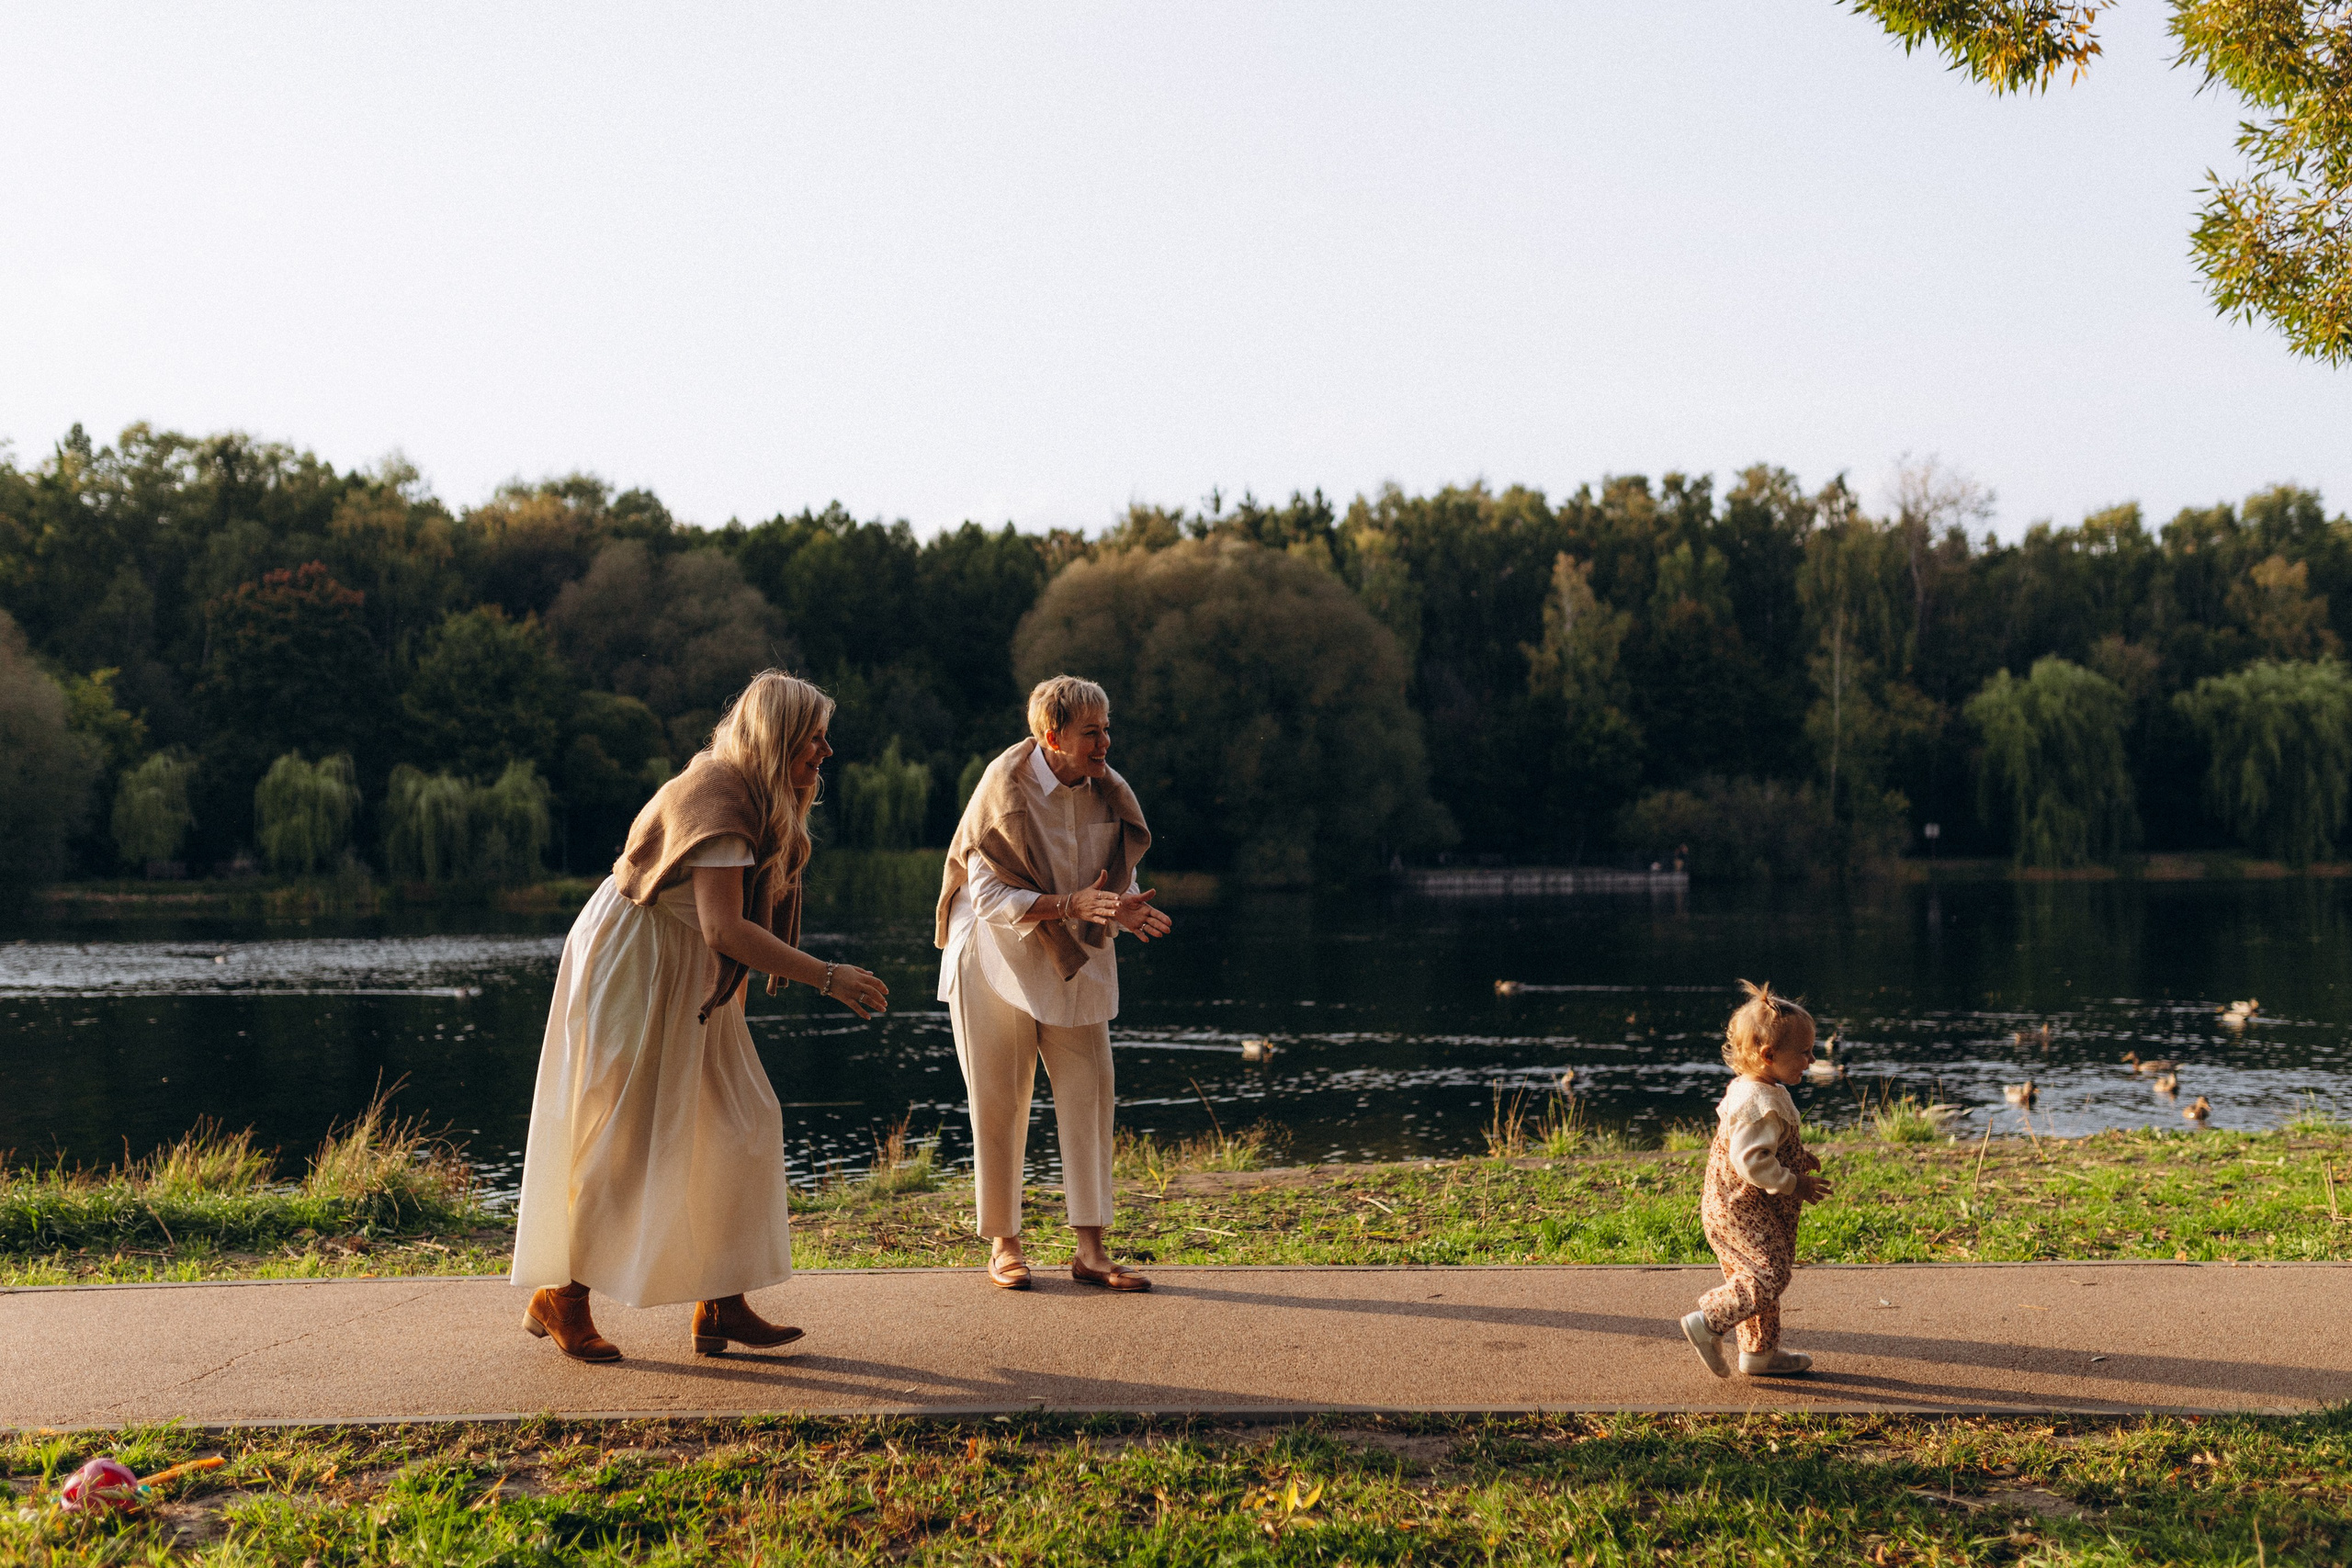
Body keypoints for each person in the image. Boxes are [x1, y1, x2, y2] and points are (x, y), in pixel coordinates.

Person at [510, 670, 890, 1361]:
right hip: (638, 960)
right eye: (814, 738)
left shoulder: (748, 794)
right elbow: (724, 928)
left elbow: (723, 929)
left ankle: (720, 1301)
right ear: (777, 738)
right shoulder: (720, 802)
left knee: (743, 1119)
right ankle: (562, 1295)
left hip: (684, 963)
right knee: (625, 1134)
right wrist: (829, 977)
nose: (826, 752)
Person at [935, 674, 1173, 1292]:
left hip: (1077, 950)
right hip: (992, 953)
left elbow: (1115, 876)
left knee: (1090, 1091)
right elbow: (988, 897)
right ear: (1052, 735)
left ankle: (1091, 1250)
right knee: (999, 1099)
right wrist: (1070, 904)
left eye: (1107, 728)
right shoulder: (1003, 790)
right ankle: (1004, 1245)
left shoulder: (1110, 793)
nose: (1105, 742)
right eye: (1091, 732)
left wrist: (1121, 908)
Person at [1679, 980, 1834, 1378]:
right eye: (1804, 1052)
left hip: (1744, 1206)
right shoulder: (1758, 1101)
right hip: (1740, 1208)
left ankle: (1759, 1353)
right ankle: (1708, 1320)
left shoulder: (1760, 1088)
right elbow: (1750, 1161)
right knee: (1769, 1273)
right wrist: (1795, 1182)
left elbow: (1766, 1146)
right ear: (1768, 1055)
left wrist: (1797, 1157)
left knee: (1752, 1276)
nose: (1812, 1059)